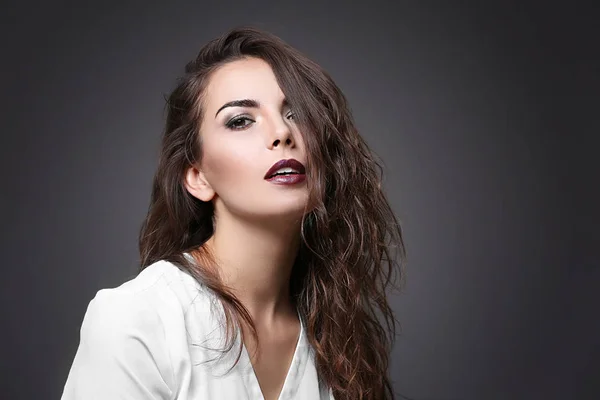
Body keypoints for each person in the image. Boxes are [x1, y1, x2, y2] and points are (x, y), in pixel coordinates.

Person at [61, 26, 405, 400]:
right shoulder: (139, 320)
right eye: (240, 120)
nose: (281, 133)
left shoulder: (334, 334)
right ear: (198, 177)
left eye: (296, 114)